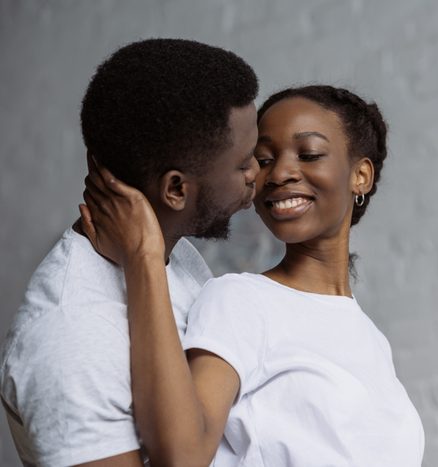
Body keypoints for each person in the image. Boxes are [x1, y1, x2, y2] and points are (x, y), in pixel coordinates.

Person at [81, 85, 425, 466]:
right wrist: (144, 254)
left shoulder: (372, 340)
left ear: (360, 175)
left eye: (308, 154)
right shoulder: (241, 301)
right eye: (262, 160)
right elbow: (181, 456)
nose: (279, 173)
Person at [0, 38, 260, 466]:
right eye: (243, 162)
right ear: (176, 189)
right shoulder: (70, 338)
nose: (257, 172)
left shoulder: (174, 261)